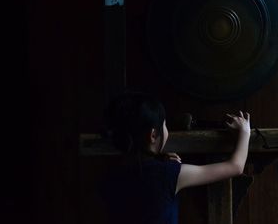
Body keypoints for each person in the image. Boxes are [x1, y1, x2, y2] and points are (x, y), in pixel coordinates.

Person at [99, 92, 251, 224]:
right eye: (164, 124)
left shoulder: (110, 175)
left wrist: (160, 162)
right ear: (153, 135)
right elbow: (235, 166)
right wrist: (245, 132)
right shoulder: (168, 175)